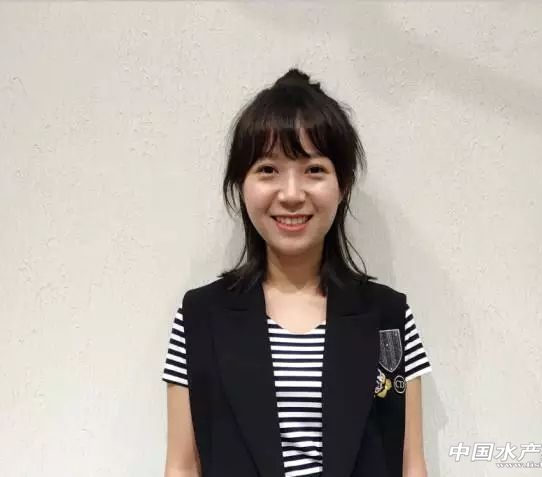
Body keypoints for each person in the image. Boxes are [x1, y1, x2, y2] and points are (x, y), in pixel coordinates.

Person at [161, 67, 433, 477]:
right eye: (268, 170)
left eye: (314, 170)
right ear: (241, 184)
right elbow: (182, 466)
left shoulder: (389, 318)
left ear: (342, 185)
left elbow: (411, 465)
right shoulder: (199, 318)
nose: (291, 194)